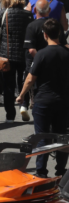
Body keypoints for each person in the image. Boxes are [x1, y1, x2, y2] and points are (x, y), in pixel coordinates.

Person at [17, 18, 69, 177]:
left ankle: (41, 171)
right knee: (62, 136)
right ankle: (61, 171)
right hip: (63, 101)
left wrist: (21, 95)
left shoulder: (41, 54)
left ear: (45, 35)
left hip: (44, 101)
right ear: (59, 33)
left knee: (42, 137)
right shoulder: (67, 53)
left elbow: (30, 79)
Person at [0, 0, 32, 122]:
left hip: (6, 55)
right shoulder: (28, 14)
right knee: (23, 81)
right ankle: (23, 105)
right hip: (24, 53)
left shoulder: (4, 13)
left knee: (8, 86)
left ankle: (10, 115)